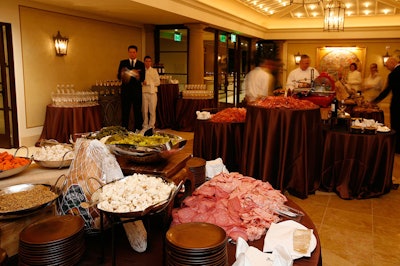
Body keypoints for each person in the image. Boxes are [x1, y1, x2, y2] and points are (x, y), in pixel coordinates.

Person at [371, 57, 400, 153]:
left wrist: (374, 101)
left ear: (392, 63)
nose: (387, 68)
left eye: (387, 66)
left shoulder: (393, 74)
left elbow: (387, 91)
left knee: (396, 125)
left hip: (397, 104)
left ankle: (396, 149)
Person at [117, 45, 145, 131]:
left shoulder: (141, 64)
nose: (132, 54)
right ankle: (124, 130)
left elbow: (143, 78)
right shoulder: (123, 63)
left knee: (137, 111)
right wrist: (124, 74)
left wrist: (137, 75)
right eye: (130, 52)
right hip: (126, 91)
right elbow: (118, 76)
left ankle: (138, 130)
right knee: (125, 111)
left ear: (136, 53)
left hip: (136, 91)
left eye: (134, 52)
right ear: (128, 53)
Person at [141, 55, 160, 133]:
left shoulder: (154, 71)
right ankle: (145, 125)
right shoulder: (142, 71)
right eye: (146, 61)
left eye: (149, 61)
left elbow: (158, 82)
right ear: (144, 62)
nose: (148, 63)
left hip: (152, 93)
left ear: (151, 62)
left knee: (152, 110)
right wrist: (142, 83)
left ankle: (151, 126)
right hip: (144, 92)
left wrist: (148, 83)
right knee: (144, 110)